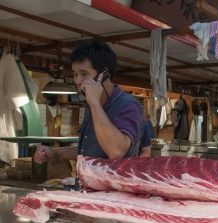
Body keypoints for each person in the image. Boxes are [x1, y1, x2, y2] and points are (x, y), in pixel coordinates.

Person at [34, 38, 142, 166]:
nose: (78, 81)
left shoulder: (128, 105)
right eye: (75, 74)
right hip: (86, 184)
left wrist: (95, 103)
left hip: (113, 185)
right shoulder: (90, 106)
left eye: (84, 74)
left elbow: (116, 151)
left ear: (104, 74)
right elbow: (87, 152)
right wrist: (55, 152)